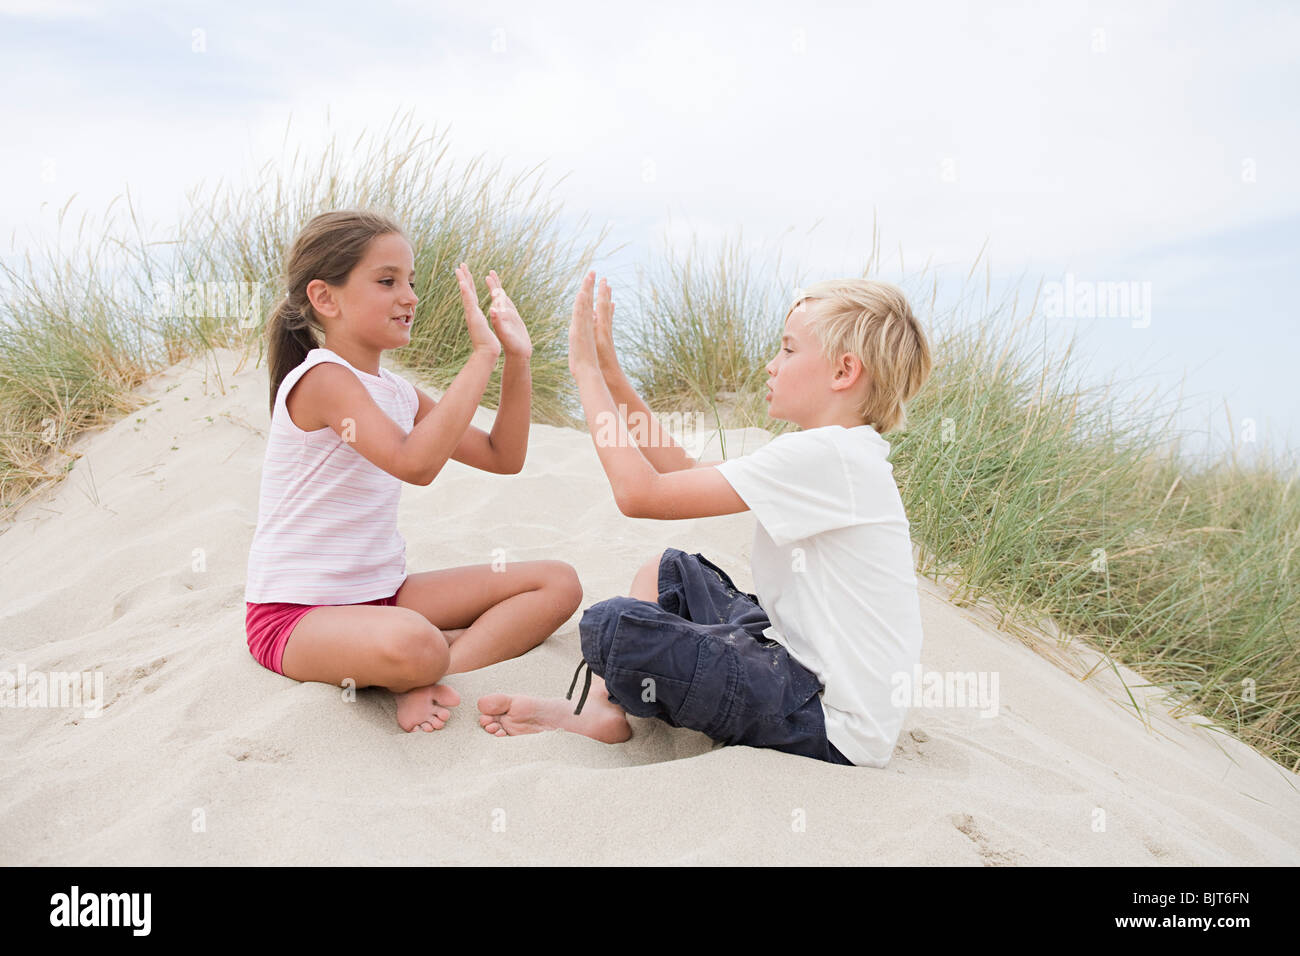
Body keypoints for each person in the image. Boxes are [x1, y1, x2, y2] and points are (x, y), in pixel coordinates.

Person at [478, 271, 932, 767]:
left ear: (844, 371)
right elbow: (681, 471)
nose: (771, 365)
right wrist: (611, 374)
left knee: (613, 627)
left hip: (828, 722)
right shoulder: (833, 452)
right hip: (796, 664)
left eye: (787, 350)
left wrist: (583, 372)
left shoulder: (830, 457)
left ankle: (607, 704)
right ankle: (603, 712)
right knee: (667, 574)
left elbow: (639, 495)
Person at [244, 209, 581, 734]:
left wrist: (516, 358)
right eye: (387, 281)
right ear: (324, 298)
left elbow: (502, 455)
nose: (410, 296)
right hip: (294, 615)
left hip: (382, 593)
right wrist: (480, 357)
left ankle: (434, 670)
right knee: (415, 639)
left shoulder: (398, 392)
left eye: (411, 282)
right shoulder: (324, 380)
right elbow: (414, 464)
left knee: (557, 584)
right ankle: (425, 659)